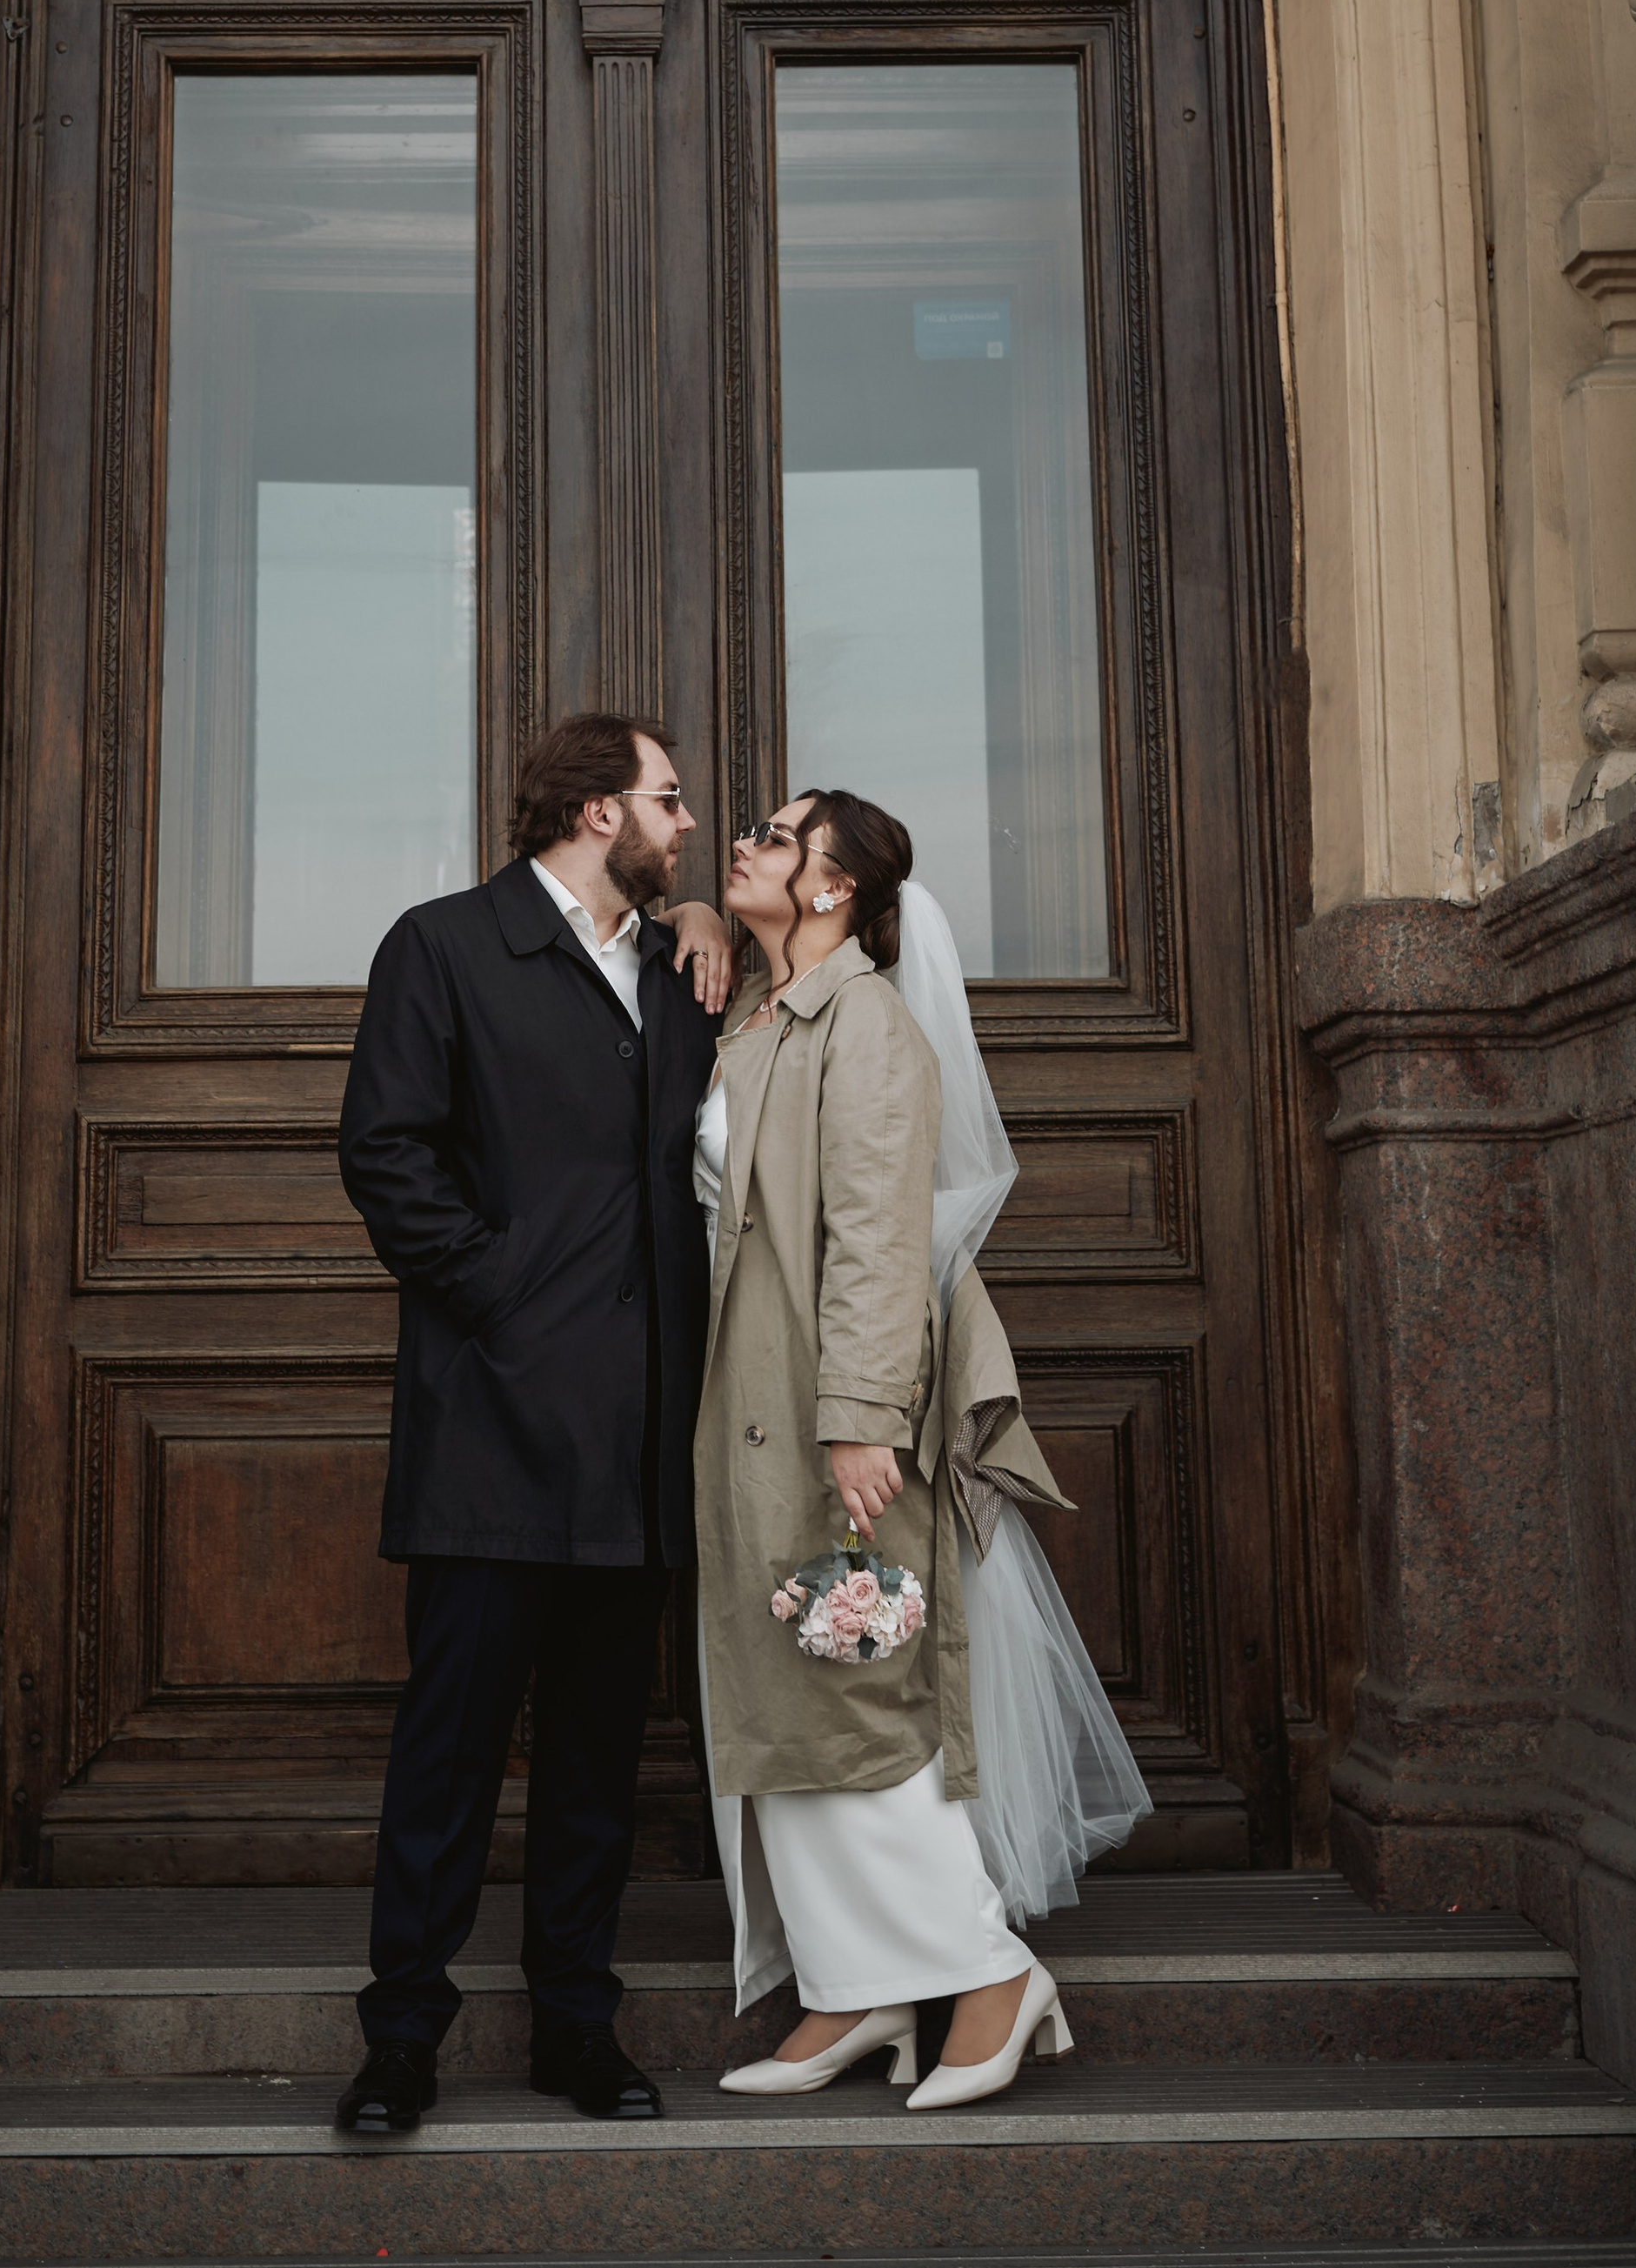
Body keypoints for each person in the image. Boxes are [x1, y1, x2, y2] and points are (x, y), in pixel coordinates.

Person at [693, 788, 1150, 2110]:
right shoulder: (757, 1014)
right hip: (745, 1410)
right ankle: (853, 1986)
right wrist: (683, 909)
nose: (746, 843)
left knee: (859, 1681)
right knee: (787, 1687)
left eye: (777, 837)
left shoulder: (871, 1030)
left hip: (833, 1413)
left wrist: (863, 1417)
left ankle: (986, 1969)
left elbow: (883, 1239)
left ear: (834, 888)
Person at [334, 714, 734, 2136]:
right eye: (669, 801)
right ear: (590, 806)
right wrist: (505, 1291)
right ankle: (400, 2040)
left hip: (637, 1450)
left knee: (594, 1760)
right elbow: (383, 1151)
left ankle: (577, 2022)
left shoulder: (684, 967)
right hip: (493, 1430)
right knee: (447, 1754)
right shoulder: (441, 946)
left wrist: (696, 916)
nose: (687, 822)